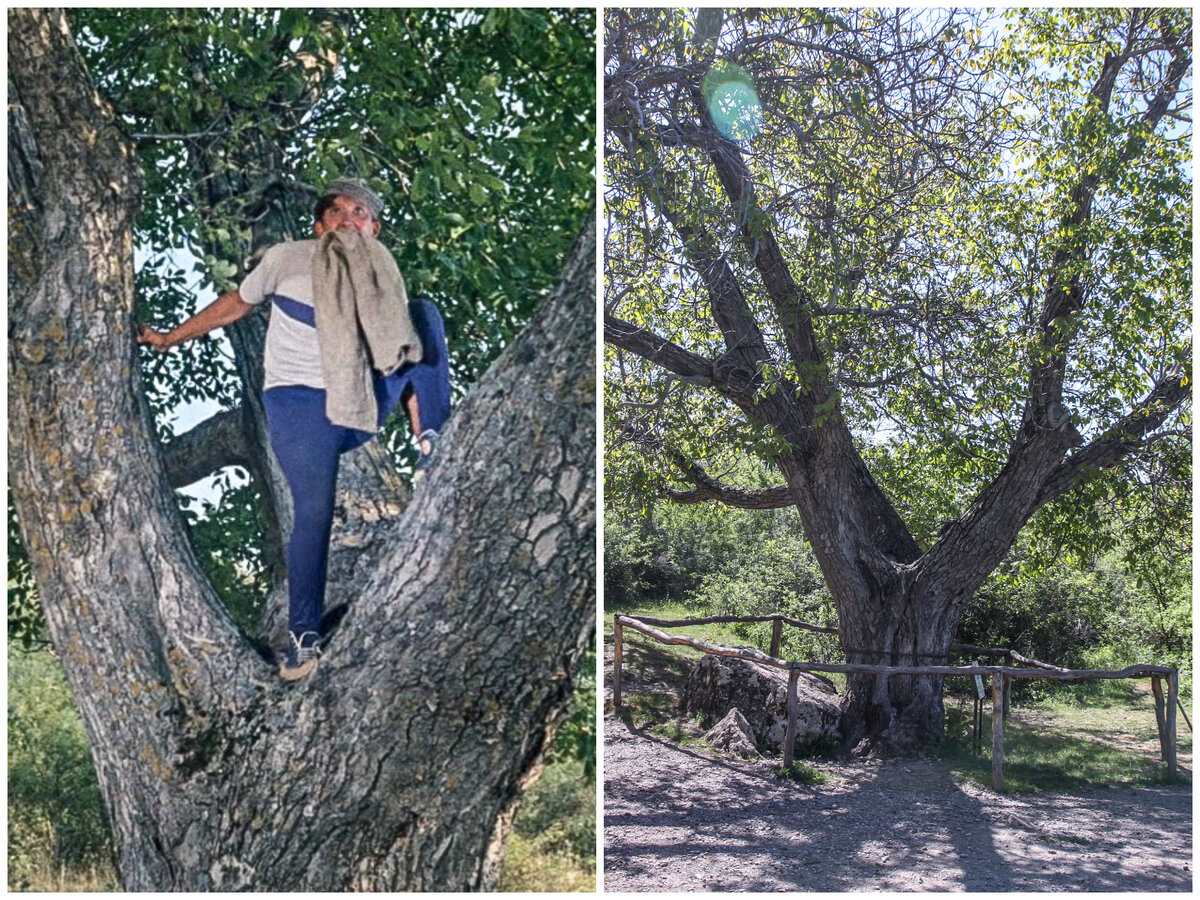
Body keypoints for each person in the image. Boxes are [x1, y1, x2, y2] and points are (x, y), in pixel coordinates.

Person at [138, 178, 452, 680]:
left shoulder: (381, 279)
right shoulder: (290, 258)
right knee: (314, 510)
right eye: (340, 211)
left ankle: (438, 445)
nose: (351, 218)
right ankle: (303, 639)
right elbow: (237, 303)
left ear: (373, 228)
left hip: (361, 400)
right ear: (321, 224)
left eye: (362, 213)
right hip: (301, 405)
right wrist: (170, 338)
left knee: (424, 316)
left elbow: (409, 362)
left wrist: (424, 424)